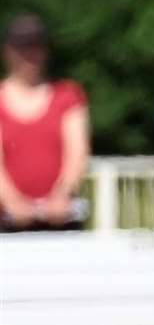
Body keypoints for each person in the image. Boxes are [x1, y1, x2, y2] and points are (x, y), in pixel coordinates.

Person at [0, 14, 90, 231]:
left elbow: (77, 152)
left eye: (36, 47)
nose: (31, 55)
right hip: (7, 221)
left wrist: (63, 194)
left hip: (61, 219)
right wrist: (12, 201)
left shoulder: (67, 96)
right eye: (23, 48)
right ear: (8, 52)